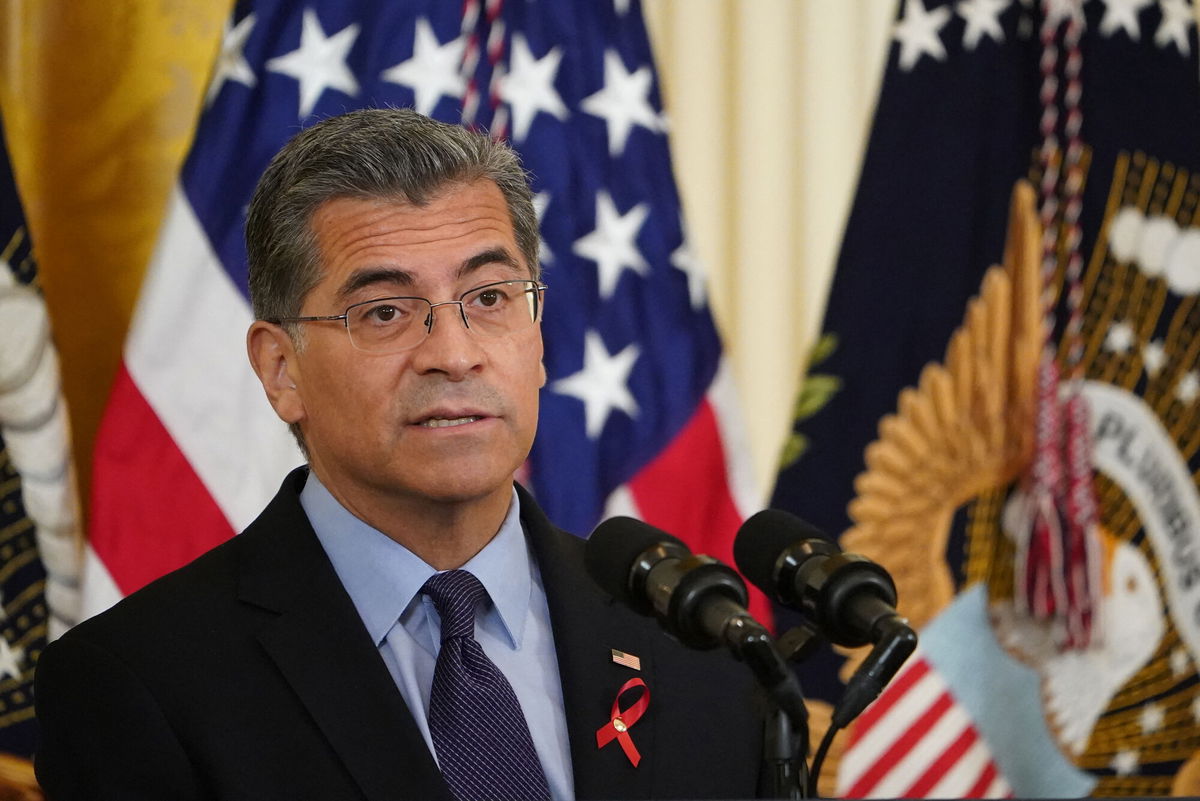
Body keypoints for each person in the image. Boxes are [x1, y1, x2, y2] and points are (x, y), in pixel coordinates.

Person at [33, 109, 762, 800]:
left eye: (489, 297)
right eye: (384, 311)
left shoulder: (694, 645)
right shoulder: (141, 683)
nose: (454, 353)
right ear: (281, 369)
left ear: (538, 334)